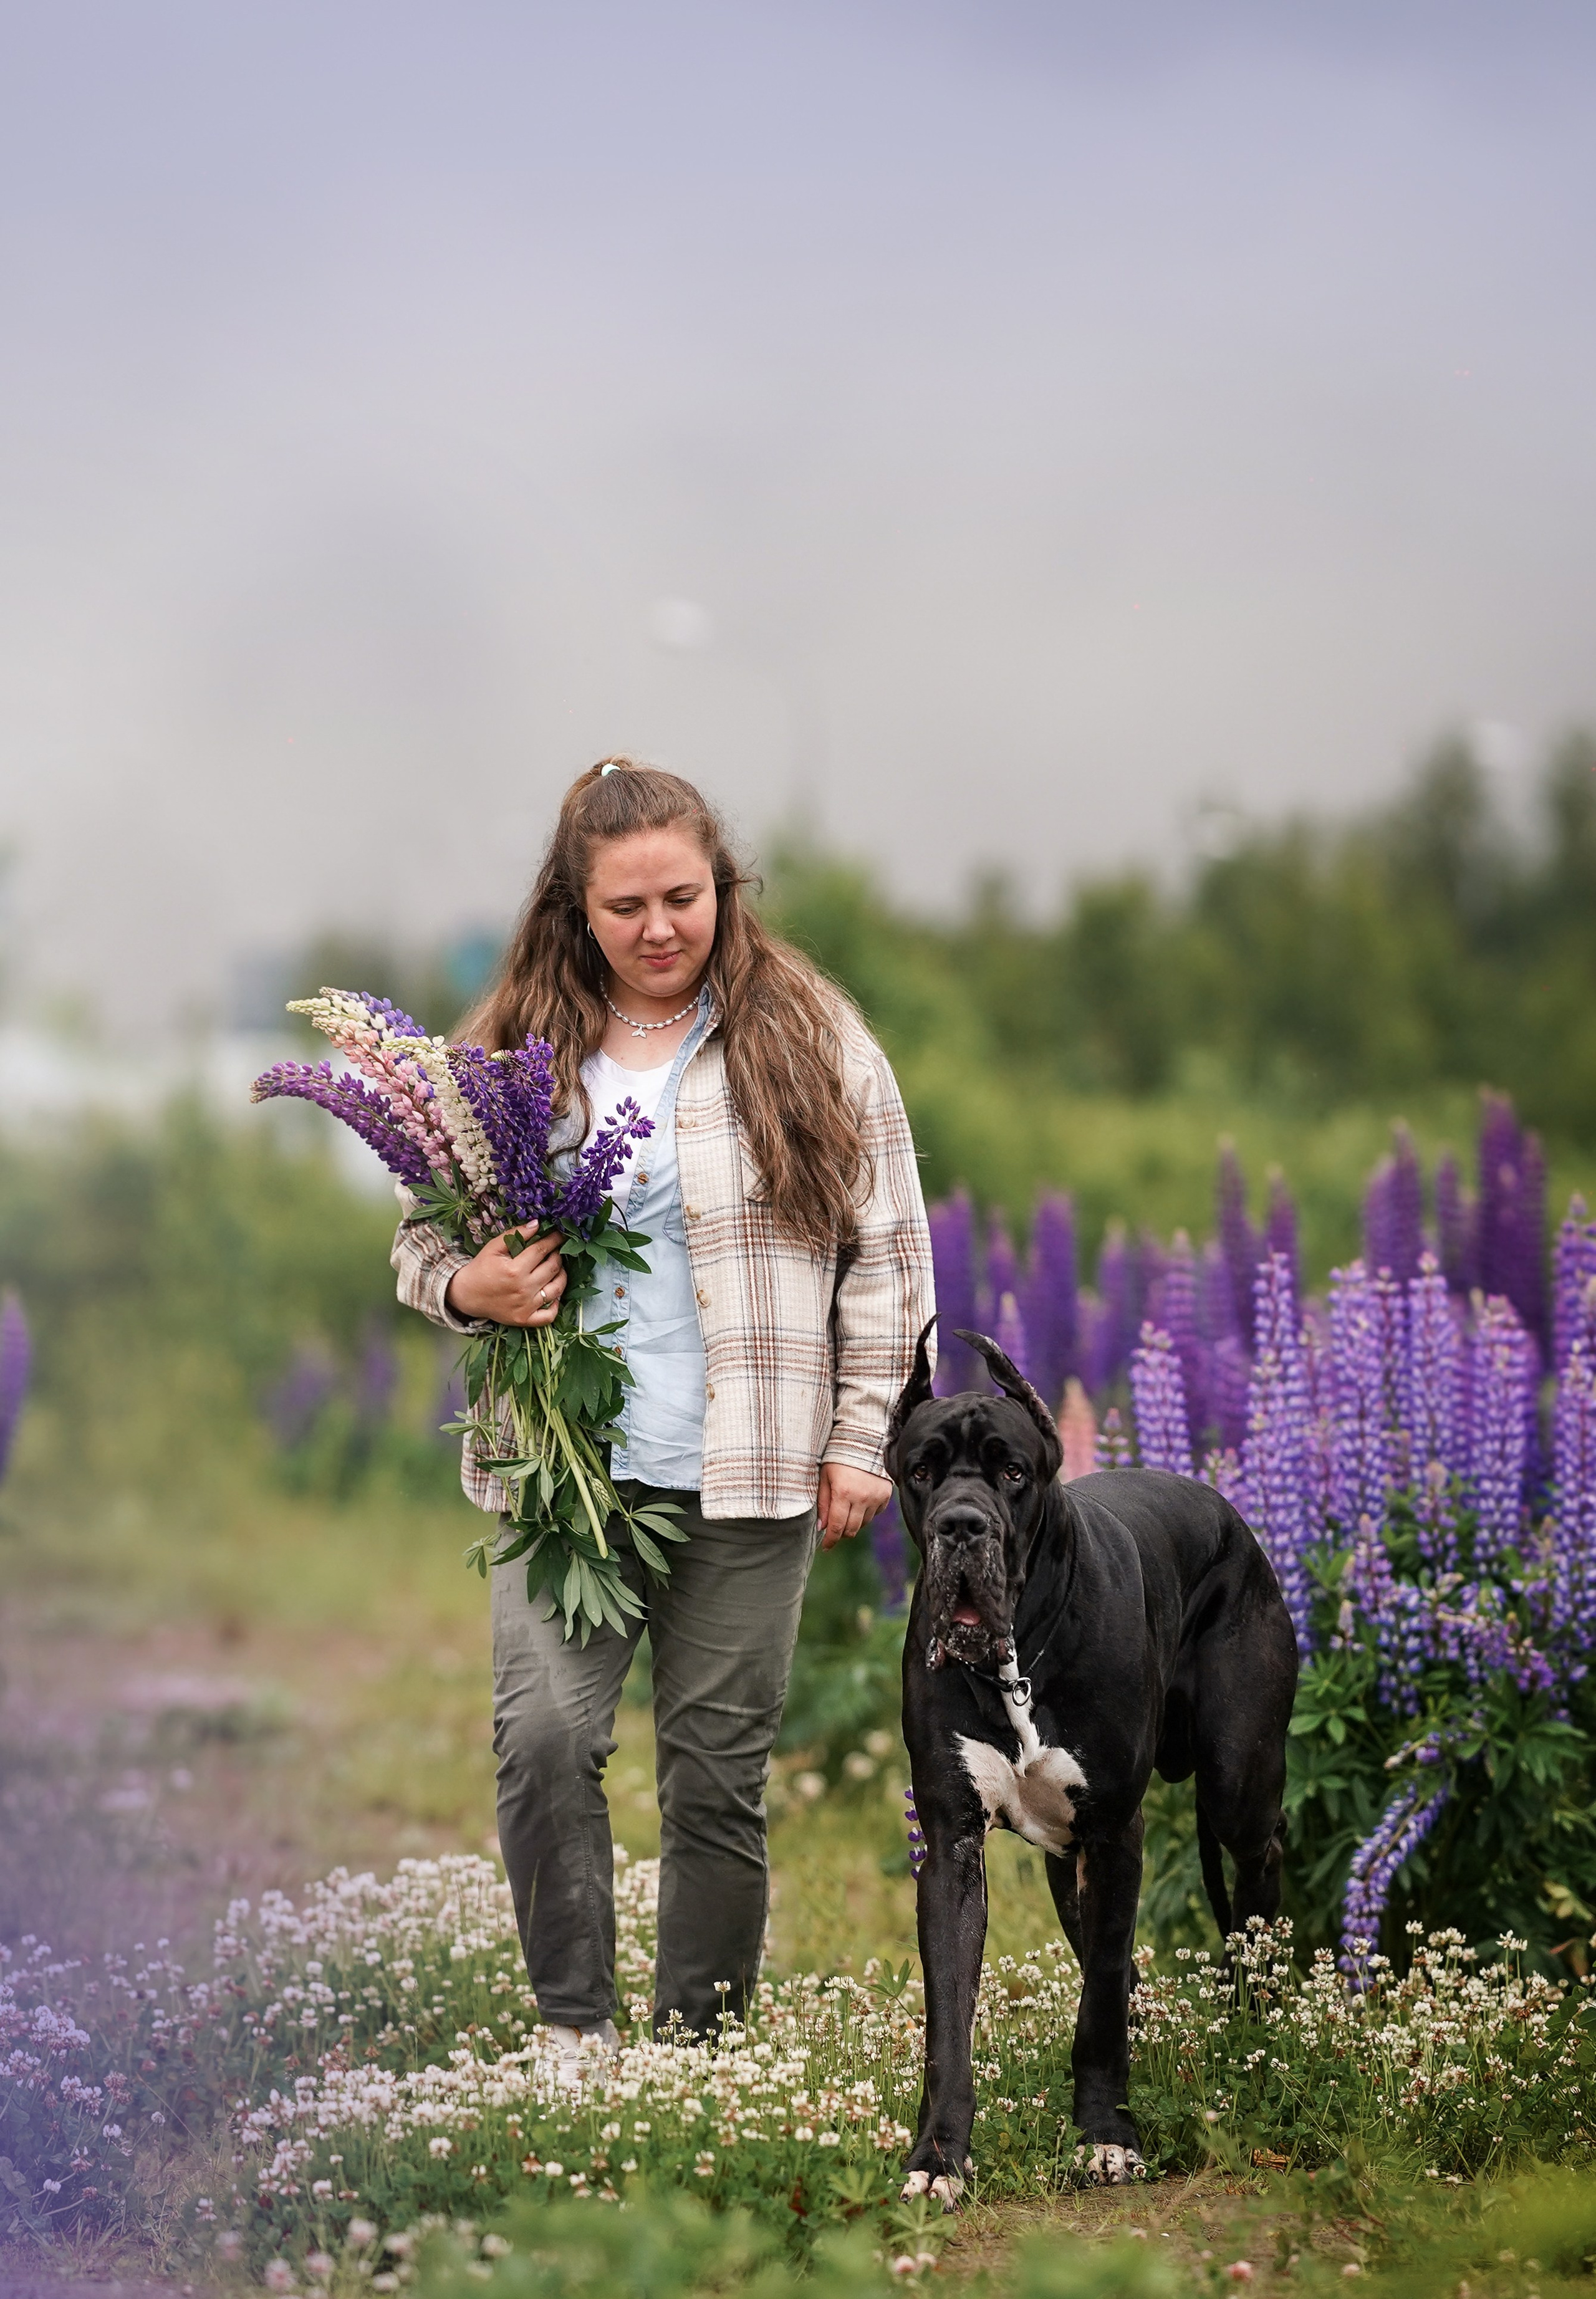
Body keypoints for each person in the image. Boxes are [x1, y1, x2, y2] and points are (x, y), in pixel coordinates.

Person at [392, 757, 933, 2070]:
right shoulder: (509, 1044)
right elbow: (419, 1235)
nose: (656, 929)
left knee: (715, 1778)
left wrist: (863, 1438)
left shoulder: (811, 1033)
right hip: (562, 1477)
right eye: (623, 906)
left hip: (750, 1466)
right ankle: (574, 2031)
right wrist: (466, 1285)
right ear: (574, 909)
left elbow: (889, 1255)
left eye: (681, 898)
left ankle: (696, 2051)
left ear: (722, 886)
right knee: (542, 1739)